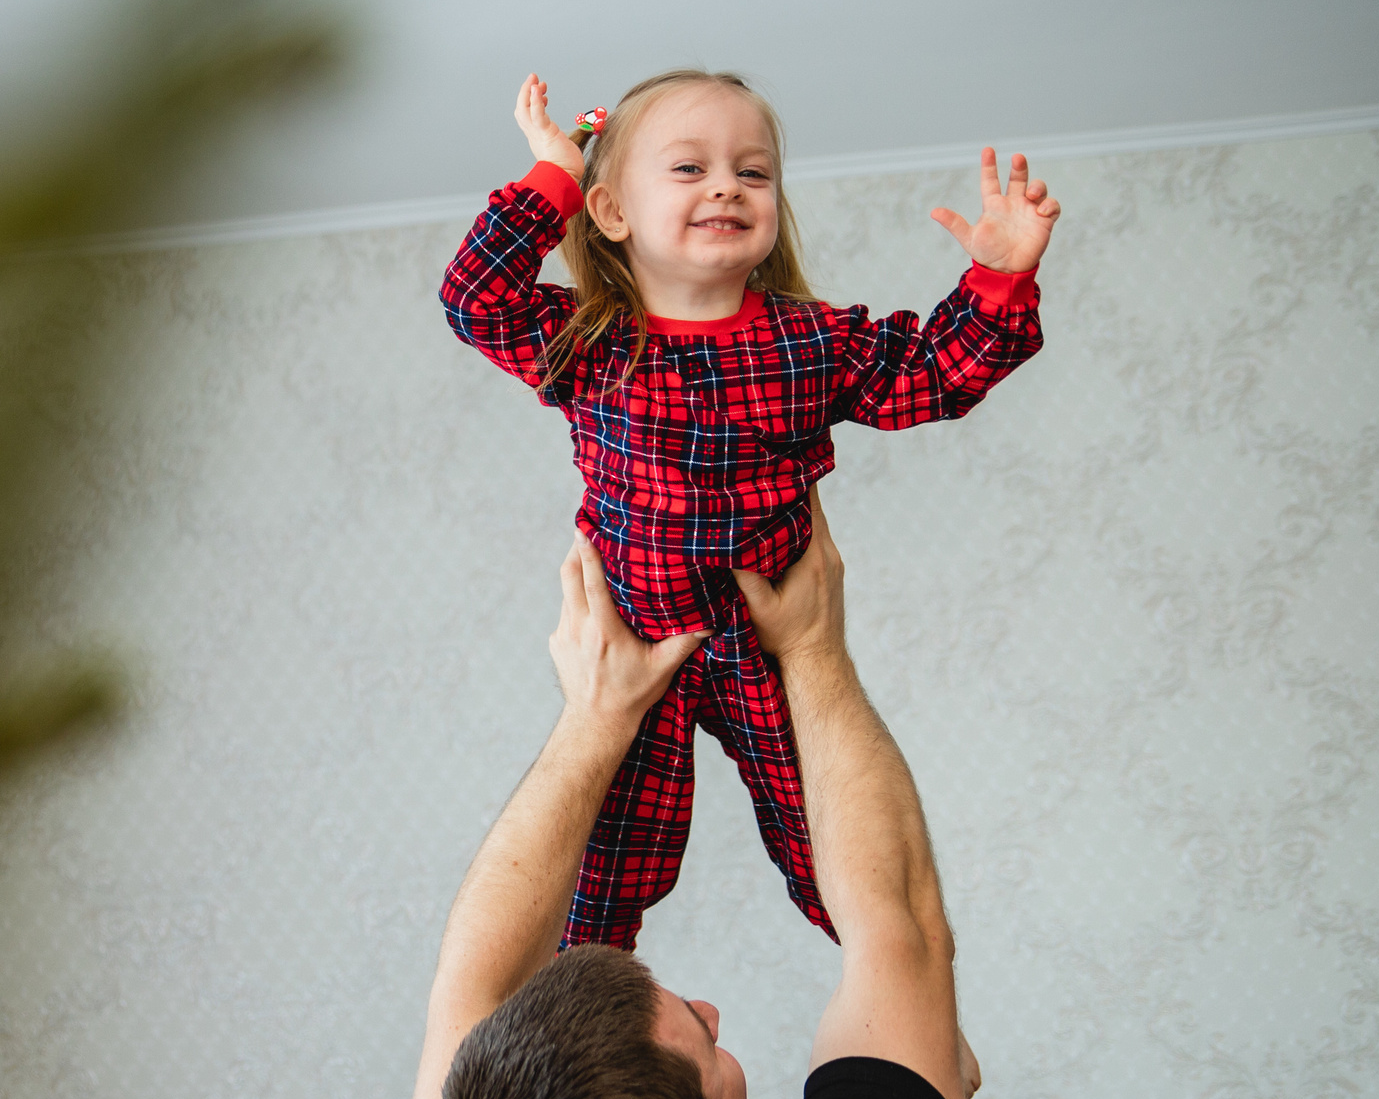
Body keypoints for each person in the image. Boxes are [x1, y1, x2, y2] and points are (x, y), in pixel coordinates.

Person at [372, 499, 984, 1099]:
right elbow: (898, 927)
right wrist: (814, 652)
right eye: (702, 1043)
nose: (710, 1014)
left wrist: (597, 717)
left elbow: (472, 981)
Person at [439, 69, 1060, 947]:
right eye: (689, 168)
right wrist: (556, 176)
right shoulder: (587, 338)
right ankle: (578, 1006)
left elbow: (931, 375)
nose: (727, 185)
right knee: (607, 858)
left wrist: (999, 279)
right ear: (611, 211)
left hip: (766, 637)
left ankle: (903, 975)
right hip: (638, 638)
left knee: (837, 835)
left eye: (753, 172)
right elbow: (474, 298)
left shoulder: (810, 339)